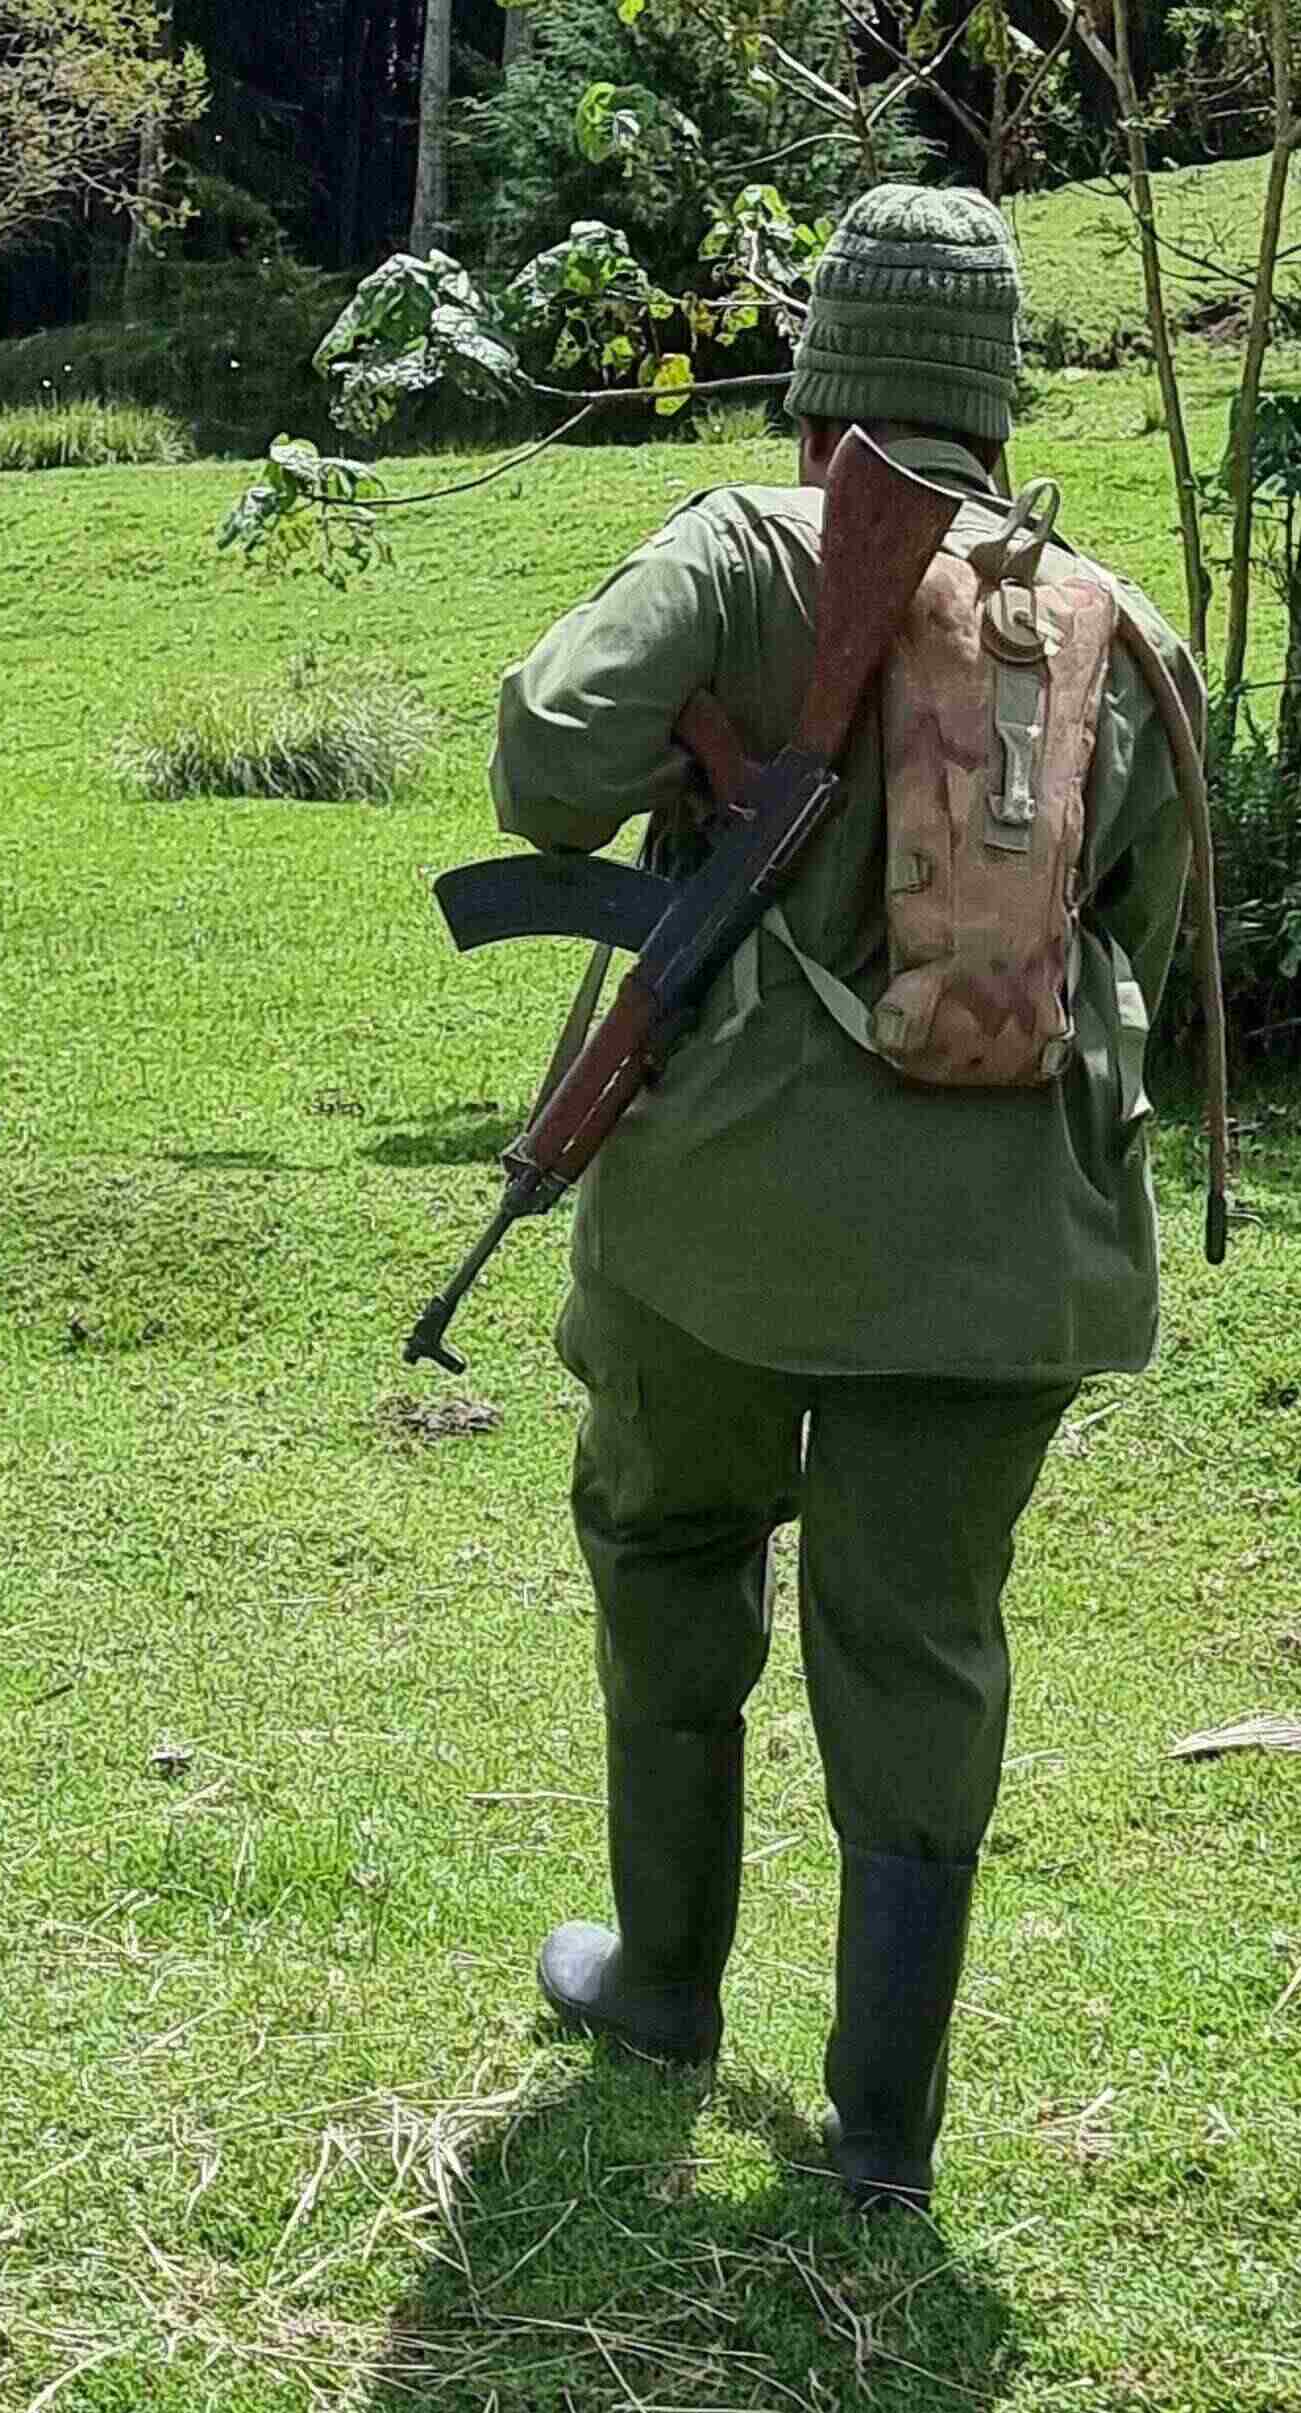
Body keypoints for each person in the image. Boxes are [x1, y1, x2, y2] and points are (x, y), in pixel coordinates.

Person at [488, 188, 1201, 2211]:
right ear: (991, 391)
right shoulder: (1117, 626)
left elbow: (542, 767)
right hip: (1016, 1258)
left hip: (719, 1225)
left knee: (669, 1531)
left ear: (820, 379)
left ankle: (662, 1978)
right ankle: (881, 2127)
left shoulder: (741, 552)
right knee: (920, 1635)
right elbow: (1133, 929)